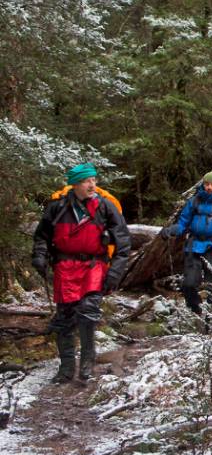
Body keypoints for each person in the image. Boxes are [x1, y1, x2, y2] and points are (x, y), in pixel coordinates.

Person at [31, 163, 130, 384]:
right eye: (87, 181)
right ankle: (66, 368)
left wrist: (114, 273)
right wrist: (39, 255)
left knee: (88, 313)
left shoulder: (105, 207)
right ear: (75, 184)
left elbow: (123, 242)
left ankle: (87, 363)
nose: (92, 184)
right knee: (64, 318)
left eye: (94, 180)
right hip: (65, 268)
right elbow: (42, 236)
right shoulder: (57, 208)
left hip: (94, 267)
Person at [161, 172, 212, 330]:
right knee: (188, 284)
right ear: (203, 184)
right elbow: (183, 222)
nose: (209, 187)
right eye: (207, 184)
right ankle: (196, 309)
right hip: (194, 245)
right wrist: (171, 230)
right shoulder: (194, 200)